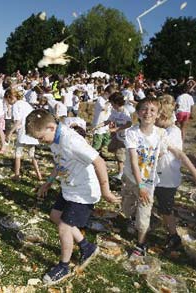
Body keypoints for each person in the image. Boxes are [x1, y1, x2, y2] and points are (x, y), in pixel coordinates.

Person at [25, 109, 120, 285]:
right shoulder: (54, 140)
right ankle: (87, 247)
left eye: (40, 138)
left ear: (51, 127)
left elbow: (99, 162)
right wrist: (48, 182)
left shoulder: (72, 140)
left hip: (83, 192)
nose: (41, 142)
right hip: (69, 187)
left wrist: (106, 191)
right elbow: (60, 163)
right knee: (55, 216)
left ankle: (64, 266)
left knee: (64, 227)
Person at [121, 97, 196, 256]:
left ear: (158, 115)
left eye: (153, 111)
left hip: (149, 182)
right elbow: (135, 161)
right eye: (144, 110)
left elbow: (177, 153)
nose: (148, 113)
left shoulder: (162, 134)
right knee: (126, 209)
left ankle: (141, 243)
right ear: (138, 113)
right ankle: (140, 221)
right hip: (131, 178)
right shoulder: (131, 133)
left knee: (149, 212)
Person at [154, 95, 196, 250]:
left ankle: (174, 236)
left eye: (155, 117)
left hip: (167, 179)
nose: (153, 120)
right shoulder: (164, 130)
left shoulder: (172, 132)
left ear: (164, 116)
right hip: (159, 177)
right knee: (162, 206)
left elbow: (180, 154)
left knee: (166, 209)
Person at [5, 89, 41, 181]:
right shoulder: (26, 104)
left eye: (7, 100)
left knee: (18, 153)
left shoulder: (15, 106)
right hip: (32, 130)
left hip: (23, 131)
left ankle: (17, 175)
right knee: (32, 154)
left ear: (10, 98)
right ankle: (39, 175)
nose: (7, 102)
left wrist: (10, 132)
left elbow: (18, 121)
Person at [94, 92, 132, 180]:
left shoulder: (125, 112)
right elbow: (108, 121)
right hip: (118, 136)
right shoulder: (115, 112)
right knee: (113, 150)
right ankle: (123, 170)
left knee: (120, 155)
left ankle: (121, 174)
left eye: (111, 103)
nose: (110, 105)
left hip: (125, 137)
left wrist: (116, 129)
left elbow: (129, 123)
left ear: (116, 103)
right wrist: (98, 126)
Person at [91, 86, 115, 156]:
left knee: (106, 141)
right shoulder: (100, 99)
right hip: (98, 125)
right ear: (106, 93)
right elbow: (104, 108)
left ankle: (102, 155)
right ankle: (92, 156)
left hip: (106, 125)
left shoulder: (109, 101)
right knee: (97, 143)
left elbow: (110, 112)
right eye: (111, 95)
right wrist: (109, 102)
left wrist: (112, 121)